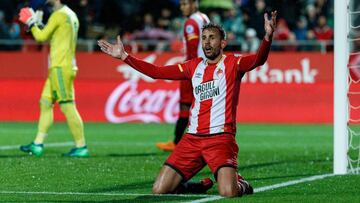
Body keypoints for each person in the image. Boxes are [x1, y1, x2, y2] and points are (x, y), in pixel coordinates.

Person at [98, 11, 277, 197]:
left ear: (223, 43)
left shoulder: (234, 63)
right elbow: (156, 72)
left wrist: (267, 37)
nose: (207, 42)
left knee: (228, 192)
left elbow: (259, 59)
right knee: (159, 189)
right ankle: (193, 186)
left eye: (212, 38)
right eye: (204, 38)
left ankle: (240, 183)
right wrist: (125, 56)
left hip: (220, 138)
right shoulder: (193, 66)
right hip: (192, 139)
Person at [18, 0, 89, 157]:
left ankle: (81, 146)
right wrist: (38, 23)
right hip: (63, 65)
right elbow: (54, 35)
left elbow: (41, 37)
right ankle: (37, 144)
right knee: (45, 102)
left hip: (60, 67)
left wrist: (31, 22)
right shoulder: (70, 14)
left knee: (67, 105)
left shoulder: (58, 15)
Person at [156, 0, 210, 152]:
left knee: (185, 104)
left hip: (193, 68)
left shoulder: (190, 23)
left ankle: (177, 142)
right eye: (181, 4)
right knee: (202, 105)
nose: (182, 7)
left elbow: (193, 49)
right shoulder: (204, 17)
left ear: (194, 3)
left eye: (186, 4)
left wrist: (190, 69)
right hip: (207, 66)